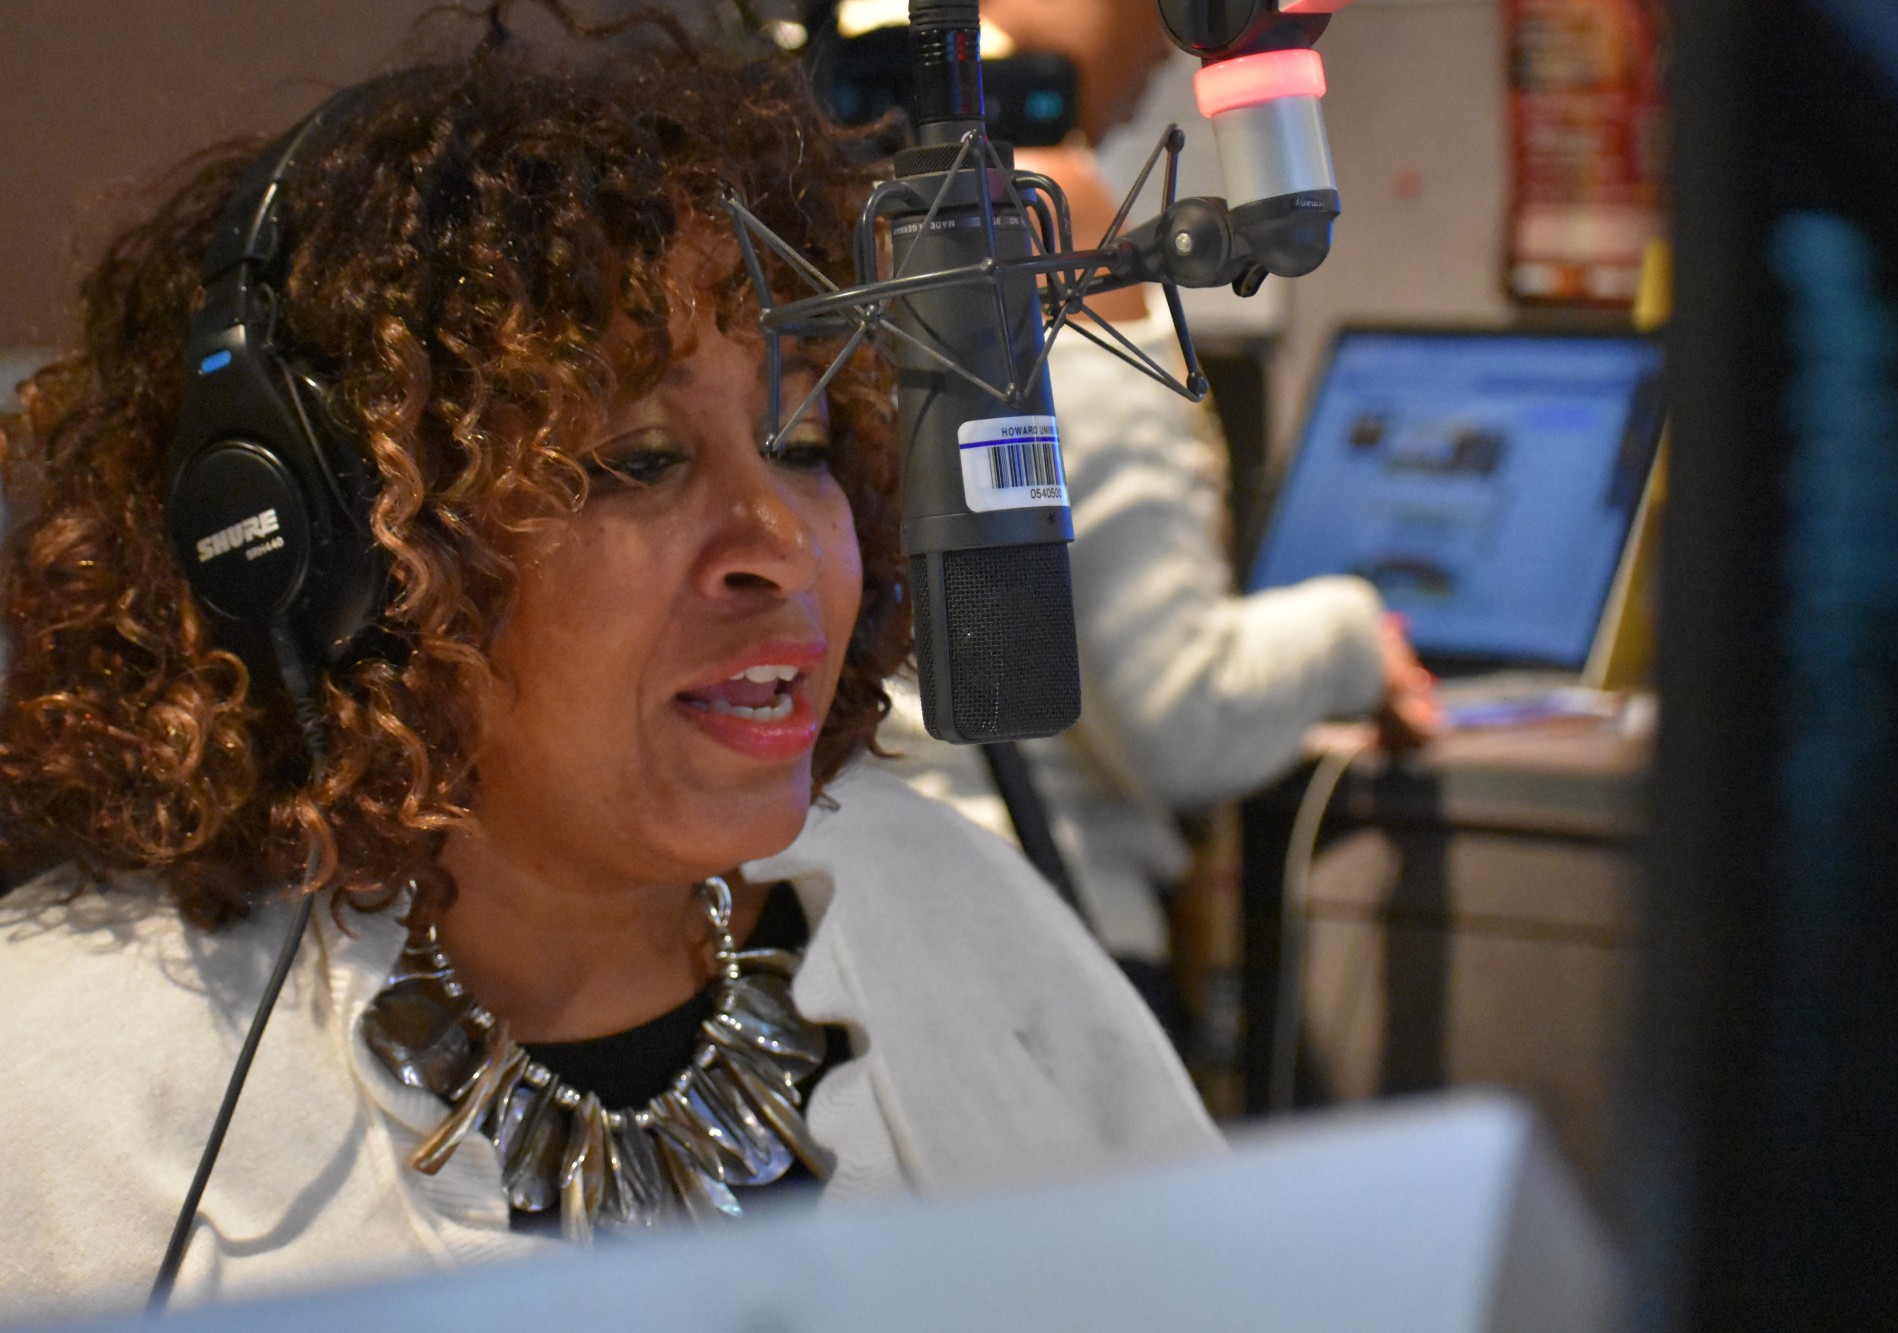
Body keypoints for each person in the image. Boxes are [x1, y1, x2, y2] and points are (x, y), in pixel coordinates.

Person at [0, 9, 1218, 1321]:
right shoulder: (62, 1093)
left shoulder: (950, 907)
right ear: (332, 553)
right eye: (637, 461)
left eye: (804, 446)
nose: (779, 547)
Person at [871, 0, 1442, 990]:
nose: (1178, 44)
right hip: (1034, 946)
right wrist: (1353, 641)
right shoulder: (1034, 202)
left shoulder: (832, 141)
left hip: (863, 928)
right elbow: (1174, 717)